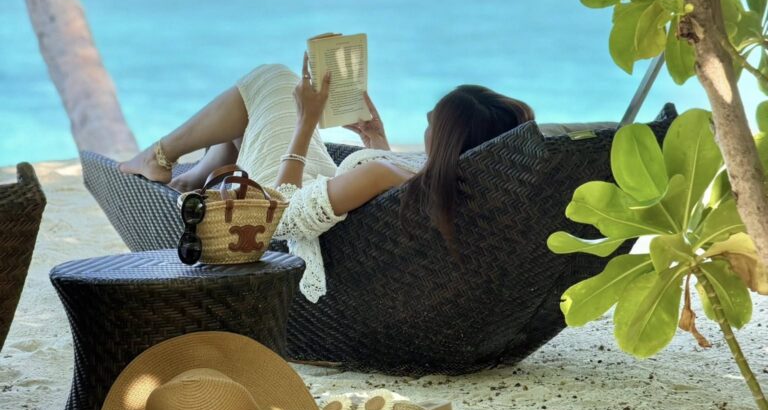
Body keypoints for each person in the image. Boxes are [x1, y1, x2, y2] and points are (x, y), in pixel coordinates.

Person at [120, 58, 534, 300]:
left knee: (272, 79)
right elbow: (392, 199)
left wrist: (307, 123)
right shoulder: (456, 180)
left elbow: (282, 220)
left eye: (432, 124)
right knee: (267, 105)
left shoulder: (383, 172)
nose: (427, 127)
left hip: (273, 206)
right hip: (316, 189)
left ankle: (160, 157)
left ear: (449, 139)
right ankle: (194, 175)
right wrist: (375, 138)